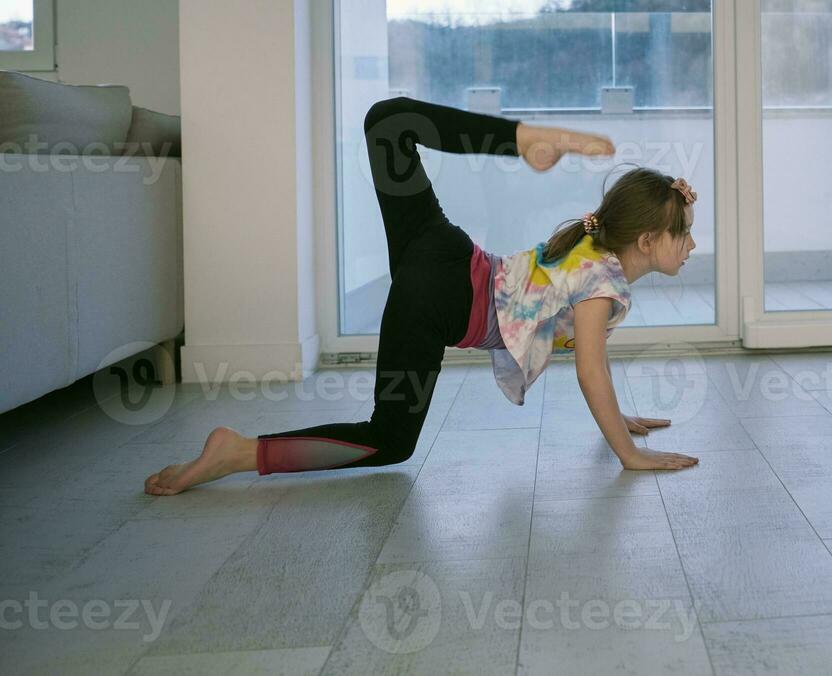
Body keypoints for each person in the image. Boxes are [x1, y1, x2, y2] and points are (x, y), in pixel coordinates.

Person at [144, 95, 698, 495]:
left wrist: (621, 419)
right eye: (685, 232)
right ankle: (238, 452)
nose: (693, 243)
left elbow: (589, 364)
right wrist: (629, 455)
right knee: (389, 441)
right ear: (648, 241)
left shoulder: (591, 251)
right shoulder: (602, 284)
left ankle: (519, 139)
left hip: (440, 249)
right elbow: (590, 371)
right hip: (439, 300)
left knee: (388, 123)